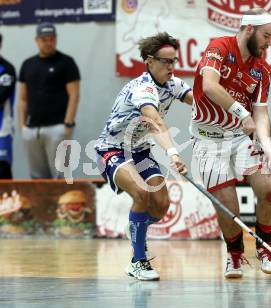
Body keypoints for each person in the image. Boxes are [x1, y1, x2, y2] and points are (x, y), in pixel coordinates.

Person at [95, 32, 193, 281]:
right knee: (141, 193)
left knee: (161, 206)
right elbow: (154, 121)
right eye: (165, 61)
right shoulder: (142, 88)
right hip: (113, 149)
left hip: (140, 151)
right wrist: (172, 152)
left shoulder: (173, 84)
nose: (171, 67)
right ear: (149, 61)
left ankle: (136, 226)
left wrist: (232, 114)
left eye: (174, 61)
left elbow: (200, 102)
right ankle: (138, 261)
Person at [190, 8, 271, 278]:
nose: (269, 42)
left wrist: (266, 143)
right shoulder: (218, 48)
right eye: (266, 36)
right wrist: (241, 113)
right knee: (227, 205)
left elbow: (261, 112)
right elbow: (209, 86)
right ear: (249, 29)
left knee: (269, 190)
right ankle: (235, 256)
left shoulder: (262, 68)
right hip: (208, 139)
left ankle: (265, 249)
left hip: (240, 138)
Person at [18, 22, 80, 179]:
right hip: (32, 130)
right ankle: (42, 204)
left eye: (51, 39)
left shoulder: (67, 63)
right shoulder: (27, 64)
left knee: (61, 174)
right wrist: (22, 126)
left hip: (57, 128)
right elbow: (22, 98)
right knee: (37, 176)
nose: (48, 42)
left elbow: (74, 95)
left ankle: (63, 204)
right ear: (37, 40)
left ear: (56, 39)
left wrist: (68, 124)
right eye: (44, 39)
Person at [0, 33, 16, 179]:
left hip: (2, 130)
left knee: (2, 171)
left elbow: (1, 96)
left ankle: (5, 202)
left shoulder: (6, 69)